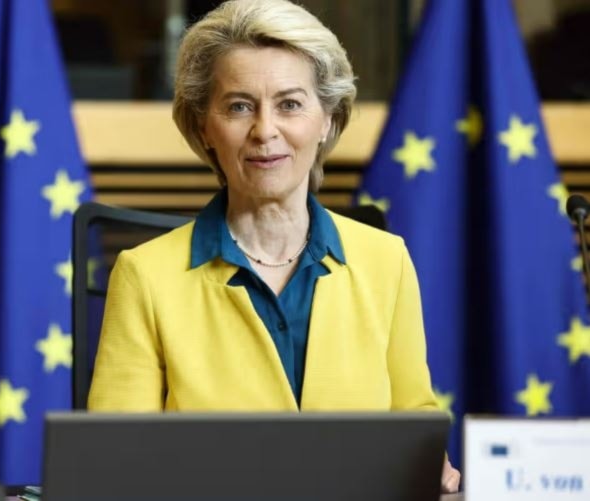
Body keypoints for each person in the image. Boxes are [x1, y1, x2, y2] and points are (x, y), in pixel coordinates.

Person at [87, 0, 461, 493]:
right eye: (239, 106)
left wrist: (430, 458)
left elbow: (414, 418)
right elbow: (114, 464)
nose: (265, 130)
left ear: (327, 119)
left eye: (289, 104)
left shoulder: (385, 261)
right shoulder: (144, 275)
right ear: (205, 127)